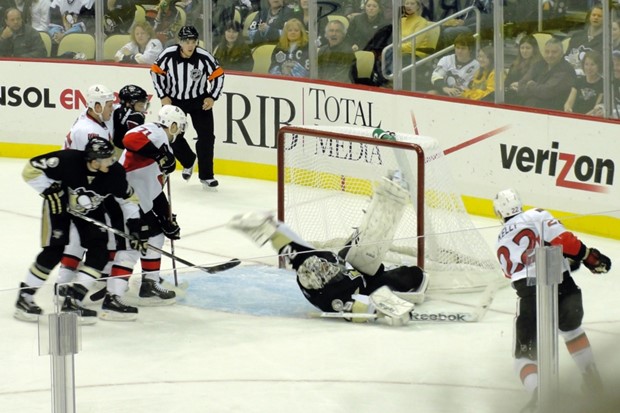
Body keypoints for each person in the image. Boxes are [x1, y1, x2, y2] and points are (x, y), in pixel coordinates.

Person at [229, 175, 429, 325]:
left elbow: (290, 242)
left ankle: (385, 201)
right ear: (321, 284)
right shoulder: (331, 297)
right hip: (366, 286)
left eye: (324, 267)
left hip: (354, 265)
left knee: (364, 246)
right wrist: (389, 312)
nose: (328, 267)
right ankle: (411, 282)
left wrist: (269, 228)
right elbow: (361, 307)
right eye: (326, 272)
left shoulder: (312, 262)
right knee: (414, 277)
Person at [493, 188, 609, 410]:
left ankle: (539, 395)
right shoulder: (535, 215)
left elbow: (516, 273)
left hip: (529, 295)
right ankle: (592, 378)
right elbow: (564, 241)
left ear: (499, 212)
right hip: (564, 287)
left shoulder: (500, 239)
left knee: (523, 357)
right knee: (572, 331)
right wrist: (586, 257)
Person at [14, 137, 145, 323]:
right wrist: (50, 190)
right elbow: (30, 169)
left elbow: (129, 199)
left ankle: (73, 300)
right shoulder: (68, 161)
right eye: (107, 158)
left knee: (99, 253)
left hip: (90, 211)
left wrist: (135, 226)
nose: (112, 161)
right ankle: (24, 298)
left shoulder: (114, 173)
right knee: (54, 251)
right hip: (58, 206)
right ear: (94, 161)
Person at [108, 105, 188, 315]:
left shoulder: (163, 144)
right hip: (124, 200)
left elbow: (155, 187)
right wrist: (160, 154)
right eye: (179, 128)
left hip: (137, 200)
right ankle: (112, 297)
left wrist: (165, 217)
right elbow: (129, 139)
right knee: (132, 247)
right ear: (172, 125)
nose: (180, 133)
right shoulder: (156, 132)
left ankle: (149, 284)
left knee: (156, 235)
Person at [151, 25, 225, 189]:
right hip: (175, 101)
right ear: (180, 42)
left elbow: (218, 74)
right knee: (173, 135)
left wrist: (212, 96)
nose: (190, 45)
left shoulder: (204, 57)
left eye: (193, 41)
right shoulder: (168, 55)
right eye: (186, 41)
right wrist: (163, 95)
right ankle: (188, 160)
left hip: (199, 101)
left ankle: (207, 175)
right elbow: (155, 71)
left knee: (206, 137)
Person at [516, 37, 576, 111]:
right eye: (547, 52)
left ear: (561, 54)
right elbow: (521, 85)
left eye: (554, 52)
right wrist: (535, 89)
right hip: (533, 103)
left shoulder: (565, 69)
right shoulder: (539, 64)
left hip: (554, 109)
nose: (550, 55)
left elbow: (547, 92)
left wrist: (531, 85)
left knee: (531, 103)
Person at [427, 32, 479, 97]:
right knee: (431, 93)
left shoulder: (476, 65)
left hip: (464, 95)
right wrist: (445, 88)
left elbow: (474, 86)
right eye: (457, 47)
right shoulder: (446, 59)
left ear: (470, 49)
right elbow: (436, 76)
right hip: (445, 91)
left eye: (463, 48)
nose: (459, 51)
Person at [564, 3, 603, 75]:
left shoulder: (606, 40)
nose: (596, 17)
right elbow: (566, 56)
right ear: (589, 17)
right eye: (594, 15)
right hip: (569, 73)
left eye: (599, 16)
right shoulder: (576, 36)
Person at [504, 34, 543, 105]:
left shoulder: (539, 65)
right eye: (522, 48)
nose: (524, 51)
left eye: (528, 48)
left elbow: (537, 86)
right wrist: (511, 86)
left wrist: (520, 86)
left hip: (525, 98)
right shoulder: (515, 64)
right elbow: (507, 82)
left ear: (534, 49)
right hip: (511, 93)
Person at [563, 50, 603, 116]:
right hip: (575, 117)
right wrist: (568, 109)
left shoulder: (603, 84)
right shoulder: (579, 81)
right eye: (586, 64)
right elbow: (569, 103)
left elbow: (597, 108)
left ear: (599, 65)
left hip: (591, 118)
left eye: (592, 65)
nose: (589, 68)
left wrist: (584, 117)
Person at [317, 19, 355, 83]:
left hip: (341, 89)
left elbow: (340, 78)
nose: (334, 34)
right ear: (326, 34)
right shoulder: (322, 50)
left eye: (337, 31)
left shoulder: (347, 52)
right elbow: (317, 72)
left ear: (343, 35)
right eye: (331, 31)